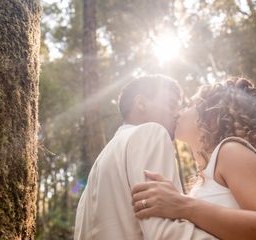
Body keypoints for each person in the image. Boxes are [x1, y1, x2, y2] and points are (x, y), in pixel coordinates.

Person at [132, 77, 256, 240]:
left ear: (212, 117)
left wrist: (183, 206)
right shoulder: (208, 174)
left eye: (188, 105)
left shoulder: (231, 151)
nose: (178, 112)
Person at [74, 75, 216, 239]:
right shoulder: (151, 133)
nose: (178, 114)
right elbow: (167, 234)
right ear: (141, 104)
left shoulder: (100, 163)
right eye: (171, 105)